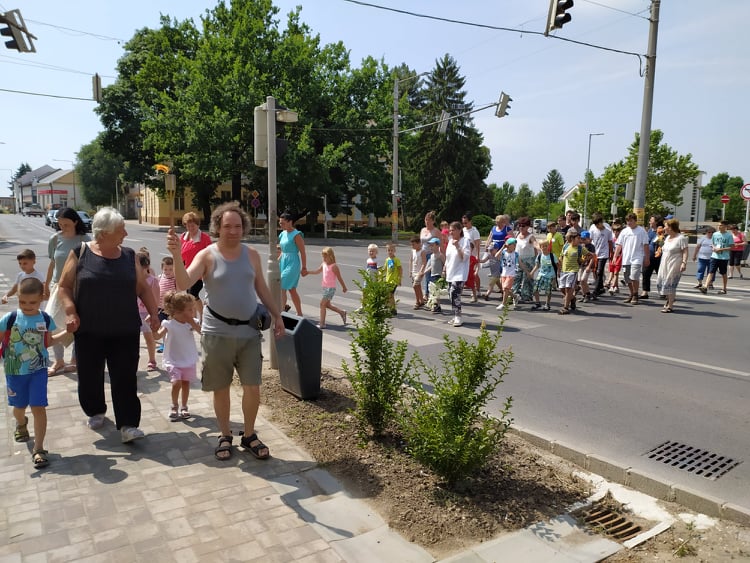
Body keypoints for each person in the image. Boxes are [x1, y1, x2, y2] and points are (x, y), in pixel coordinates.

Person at [167, 201, 284, 460]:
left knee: (252, 387)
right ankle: (224, 435)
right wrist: (176, 255)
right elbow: (184, 282)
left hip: (248, 333)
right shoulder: (207, 255)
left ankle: (249, 435)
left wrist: (277, 315)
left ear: (244, 227)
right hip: (216, 333)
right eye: (227, 226)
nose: (233, 231)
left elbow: (262, 288)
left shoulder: (251, 254)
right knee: (221, 388)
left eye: (238, 226)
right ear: (218, 227)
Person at [57, 207, 159, 443]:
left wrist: (155, 314)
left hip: (125, 329)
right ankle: (95, 410)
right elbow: (64, 286)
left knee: (125, 377)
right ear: (104, 233)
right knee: (90, 376)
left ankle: (128, 425)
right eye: (121, 229)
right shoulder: (81, 253)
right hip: (89, 330)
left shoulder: (129, 256)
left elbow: (143, 288)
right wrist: (71, 311)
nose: (126, 233)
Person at [2, 278, 69, 468]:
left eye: (32, 302)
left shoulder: (45, 319)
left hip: (38, 371)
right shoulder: (10, 318)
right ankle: (21, 423)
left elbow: (48, 342)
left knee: (38, 407)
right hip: (15, 371)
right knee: (19, 408)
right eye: (22, 302)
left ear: (41, 298)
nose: (27, 306)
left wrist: (68, 332)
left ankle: (38, 449)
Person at [44, 207, 91, 376]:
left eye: (66, 224)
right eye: (60, 224)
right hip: (58, 286)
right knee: (52, 322)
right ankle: (59, 360)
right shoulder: (55, 239)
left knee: (76, 322)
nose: (62, 227)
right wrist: (46, 285)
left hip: (78, 287)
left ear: (75, 222)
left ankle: (75, 359)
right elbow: (52, 263)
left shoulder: (85, 240)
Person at [154, 291, 200, 421]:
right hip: (173, 360)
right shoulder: (169, 324)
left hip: (188, 359)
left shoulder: (191, 323)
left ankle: (184, 406)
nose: (193, 312)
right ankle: (174, 405)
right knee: (176, 383)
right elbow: (157, 336)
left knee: (185, 383)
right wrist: (152, 327)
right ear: (179, 311)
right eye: (190, 310)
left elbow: (202, 332)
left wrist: (192, 322)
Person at [180, 212, 211, 321]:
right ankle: (193, 319)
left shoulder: (204, 238)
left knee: (192, 294)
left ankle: (201, 316)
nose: (190, 228)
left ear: (198, 225)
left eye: (192, 225)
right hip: (187, 272)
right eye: (188, 225)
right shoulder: (184, 237)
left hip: (200, 273)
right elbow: (180, 255)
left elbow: (211, 255)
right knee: (189, 296)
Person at [613, 213, 650, 305]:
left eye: (631, 221)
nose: (629, 223)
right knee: (627, 278)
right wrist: (615, 256)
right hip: (626, 258)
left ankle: (635, 295)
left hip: (637, 257)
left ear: (635, 221)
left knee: (634, 277)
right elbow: (619, 245)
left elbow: (645, 245)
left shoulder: (641, 231)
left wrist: (647, 258)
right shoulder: (624, 231)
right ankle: (632, 293)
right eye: (627, 221)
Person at [308, 247, 348, 329]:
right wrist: (307, 272)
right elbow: (317, 271)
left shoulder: (334, 266)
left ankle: (322, 323)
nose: (324, 259)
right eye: (323, 257)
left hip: (330, 288)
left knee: (322, 304)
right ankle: (342, 312)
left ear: (331, 256)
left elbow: (339, 277)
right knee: (327, 305)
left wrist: (344, 287)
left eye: (325, 257)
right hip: (325, 287)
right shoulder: (323, 264)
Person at [655, 218, 689, 313]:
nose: (664, 228)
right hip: (664, 263)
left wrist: (684, 263)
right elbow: (662, 247)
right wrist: (659, 244)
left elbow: (685, 251)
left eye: (665, 226)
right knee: (662, 283)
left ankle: (670, 306)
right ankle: (670, 299)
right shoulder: (667, 238)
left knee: (670, 283)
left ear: (670, 227)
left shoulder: (681, 238)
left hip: (674, 263)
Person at [278, 210, 308, 315]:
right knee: (292, 289)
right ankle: (299, 313)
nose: (281, 225)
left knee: (282, 285)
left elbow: (303, 252)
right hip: (283, 262)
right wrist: (277, 261)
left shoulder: (297, 235)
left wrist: (304, 267)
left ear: (290, 222)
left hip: (293, 263)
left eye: (283, 223)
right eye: (280, 223)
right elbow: (282, 250)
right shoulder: (282, 234)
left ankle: (281, 313)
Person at [136, 252, 160, 371]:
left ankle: (152, 359)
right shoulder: (133, 279)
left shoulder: (153, 281)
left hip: (147, 314)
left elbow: (156, 299)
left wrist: (153, 314)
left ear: (146, 267)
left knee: (149, 338)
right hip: (134, 312)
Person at [444, 221, 471, 326]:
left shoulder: (465, 241)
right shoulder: (450, 241)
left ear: (459, 230)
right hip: (451, 272)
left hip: (460, 273)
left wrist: (458, 246)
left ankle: (458, 317)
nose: (451, 232)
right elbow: (448, 257)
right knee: (450, 294)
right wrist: (444, 268)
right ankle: (455, 315)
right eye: (450, 230)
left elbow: (464, 257)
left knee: (455, 293)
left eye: (453, 230)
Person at [558, 230, 591, 314]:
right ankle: (572, 298)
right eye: (578, 238)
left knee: (568, 288)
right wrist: (559, 268)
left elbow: (590, 255)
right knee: (562, 288)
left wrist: (582, 260)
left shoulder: (580, 248)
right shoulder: (566, 246)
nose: (580, 240)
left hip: (573, 271)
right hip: (564, 270)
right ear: (572, 238)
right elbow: (561, 257)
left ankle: (565, 307)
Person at [700, 220, 734, 295]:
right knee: (711, 271)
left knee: (723, 273)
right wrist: (714, 248)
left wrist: (721, 249)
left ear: (725, 226)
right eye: (718, 225)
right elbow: (712, 243)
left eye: (721, 225)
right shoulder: (715, 234)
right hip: (714, 256)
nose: (719, 226)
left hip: (724, 257)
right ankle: (705, 286)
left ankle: (724, 288)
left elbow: (732, 247)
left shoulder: (729, 235)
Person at [511, 217, 537, 304]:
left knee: (527, 279)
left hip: (528, 260)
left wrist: (540, 247)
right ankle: (514, 294)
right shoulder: (517, 235)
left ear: (528, 227)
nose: (521, 227)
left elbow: (535, 244)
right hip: (518, 259)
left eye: (523, 226)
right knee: (516, 277)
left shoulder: (530, 236)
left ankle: (527, 296)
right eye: (520, 225)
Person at [588, 212, 613, 296]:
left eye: (598, 224)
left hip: (604, 253)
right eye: (595, 225)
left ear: (601, 222)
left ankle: (596, 290)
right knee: (595, 271)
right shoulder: (592, 228)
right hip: (595, 252)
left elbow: (610, 242)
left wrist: (611, 253)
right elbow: (590, 240)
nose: (597, 226)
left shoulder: (608, 229)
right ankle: (601, 287)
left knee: (599, 271)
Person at [640, 214, 664, 299]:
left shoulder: (661, 231)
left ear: (656, 222)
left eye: (651, 220)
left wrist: (660, 238)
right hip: (648, 256)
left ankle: (663, 292)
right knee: (645, 273)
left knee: (661, 275)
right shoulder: (649, 231)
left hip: (658, 257)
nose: (650, 221)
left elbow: (662, 244)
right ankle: (645, 292)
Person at [419, 211, 442, 299]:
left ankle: (427, 293)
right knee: (425, 274)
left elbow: (440, 244)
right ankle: (429, 292)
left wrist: (442, 256)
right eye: (426, 220)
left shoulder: (436, 231)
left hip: (431, 254)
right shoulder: (423, 230)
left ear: (433, 221)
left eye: (429, 220)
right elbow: (421, 243)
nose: (427, 222)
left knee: (429, 274)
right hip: (423, 255)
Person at [530, 240, 557, 311]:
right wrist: (532, 272)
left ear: (548, 246)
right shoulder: (540, 256)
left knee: (548, 291)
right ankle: (537, 303)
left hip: (550, 276)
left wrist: (556, 277)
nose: (544, 247)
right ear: (540, 247)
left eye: (546, 246)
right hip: (541, 274)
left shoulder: (552, 256)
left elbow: (557, 265)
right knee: (535, 288)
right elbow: (537, 265)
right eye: (543, 246)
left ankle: (547, 304)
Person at [462, 213, 482, 302]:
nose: (464, 224)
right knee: (465, 273)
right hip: (465, 255)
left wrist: (477, 255)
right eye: (463, 223)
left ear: (470, 222)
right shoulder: (463, 230)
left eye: (466, 222)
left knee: (474, 274)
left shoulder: (474, 231)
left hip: (473, 255)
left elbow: (477, 244)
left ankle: (478, 290)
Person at [496, 238, 519, 311]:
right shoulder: (504, 252)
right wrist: (503, 247)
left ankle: (503, 304)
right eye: (513, 245)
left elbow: (520, 262)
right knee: (505, 290)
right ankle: (515, 296)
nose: (514, 246)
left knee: (506, 288)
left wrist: (527, 271)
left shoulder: (515, 254)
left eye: (515, 245)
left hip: (511, 274)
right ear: (508, 245)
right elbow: (496, 256)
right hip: (504, 273)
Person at [423, 237, 444, 313]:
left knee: (435, 292)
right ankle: (436, 306)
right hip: (432, 275)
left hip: (438, 275)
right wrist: (425, 271)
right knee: (433, 291)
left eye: (432, 245)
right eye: (430, 245)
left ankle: (436, 306)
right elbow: (431, 266)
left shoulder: (440, 255)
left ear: (438, 245)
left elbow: (445, 263)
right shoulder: (432, 255)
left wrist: (444, 272)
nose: (431, 247)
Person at [383, 242, 402, 316]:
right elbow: (385, 269)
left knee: (390, 294)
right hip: (388, 280)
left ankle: (393, 309)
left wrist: (399, 279)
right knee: (389, 294)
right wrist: (380, 274)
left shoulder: (396, 260)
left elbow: (400, 269)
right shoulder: (387, 259)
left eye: (391, 250)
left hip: (394, 281)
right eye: (388, 250)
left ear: (394, 251)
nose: (390, 252)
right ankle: (389, 306)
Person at [408, 235, 426, 309]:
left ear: (419, 243)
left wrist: (421, 271)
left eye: (413, 244)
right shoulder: (413, 251)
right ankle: (421, 301)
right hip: (413, 271)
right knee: (417, 287)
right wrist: (410, 271)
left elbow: (424, 262)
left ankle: (417, 301)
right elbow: (411, 261)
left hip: (419, 272)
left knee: (415, 285)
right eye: (411, 244)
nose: (412, 246)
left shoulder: (422, 251)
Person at [606, 221, 624, 295]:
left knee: (616, 272)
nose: (616, 233)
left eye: (618, 231)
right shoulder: (613, 239)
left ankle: (612, 286)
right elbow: (610, 247)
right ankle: (616, 286)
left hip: (619, 257)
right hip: (612, 257)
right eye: (614, 231)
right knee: (612, 271)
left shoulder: (621, 239)